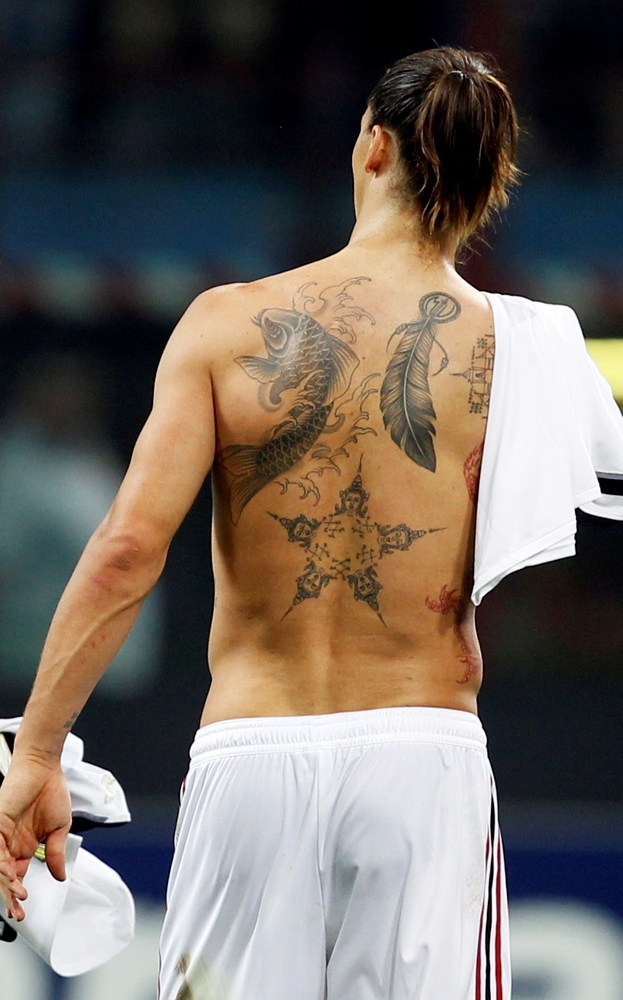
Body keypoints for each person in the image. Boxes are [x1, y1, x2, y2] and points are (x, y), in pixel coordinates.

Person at [1, 46, 623, 1000]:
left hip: (252, 758)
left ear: (373, 146)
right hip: (422, 759)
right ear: (489, 184)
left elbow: (127, 550)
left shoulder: (225, 325)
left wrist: (39, 751)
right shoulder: (530, 347)